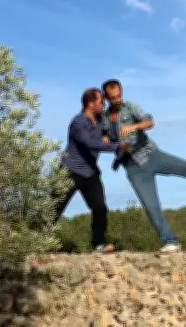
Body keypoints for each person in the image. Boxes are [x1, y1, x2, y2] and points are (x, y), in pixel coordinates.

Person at [100, 78, 186, 253]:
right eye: (113, 97)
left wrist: (134, 126)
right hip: (133, 167)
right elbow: (102, 138)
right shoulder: (104, 118)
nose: (117, 99)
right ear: (106, 98)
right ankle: (170, 241)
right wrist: (105, 139)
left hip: (151, 155)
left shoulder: (130, 107)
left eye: (119, 95)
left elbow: (149, 122)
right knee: (151, 206)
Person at [53, 88, 131, 253]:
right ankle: (33, 244)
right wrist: (117, 146)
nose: (103, 105)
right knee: (53, 209)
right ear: (90, 103)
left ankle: (99, 244)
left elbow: (112, 130)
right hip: (70, 171)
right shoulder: (78, 122)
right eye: (101, 102)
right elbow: (91, 143)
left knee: (100, 208)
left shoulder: (100, 120)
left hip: (90, 172)